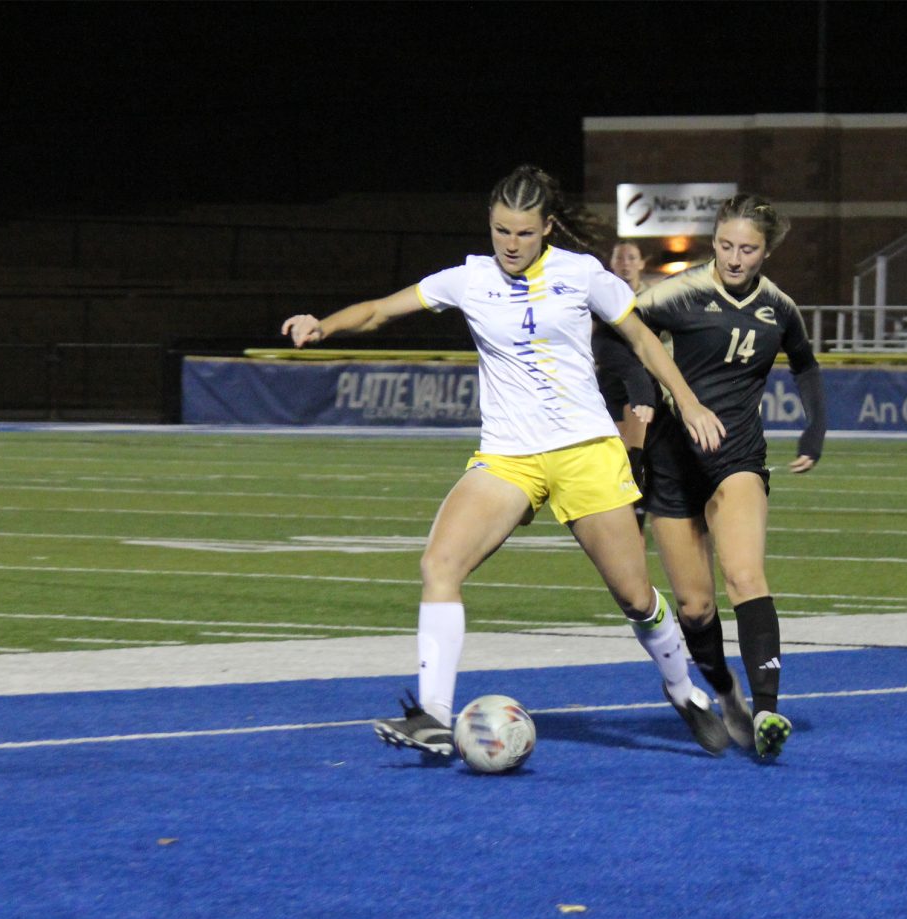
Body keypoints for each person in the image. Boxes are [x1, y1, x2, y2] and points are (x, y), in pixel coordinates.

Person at [281, 165, 733, 758]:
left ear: (546, 228)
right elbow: (381, 311)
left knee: (636, 597)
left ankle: (682, 690)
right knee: (439, 564)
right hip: (508, 458)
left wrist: (690, 401)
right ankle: (435, 717)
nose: (510, 245)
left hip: (585, 454)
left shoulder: (582, 274)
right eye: (500, 232)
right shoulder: (467, 279)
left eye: (522, 233)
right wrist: (325, 324)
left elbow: (645, 341)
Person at [630, 193, 827, 761]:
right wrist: (643, 405)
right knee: (694, 608)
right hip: (672, 460)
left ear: (767, 252)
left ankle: (767, 707)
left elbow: (806, 367)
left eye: (748, 249)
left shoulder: (780, 309)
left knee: (744, 575)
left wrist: (815, 430)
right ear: (712, 240)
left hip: (737, 456)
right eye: (724, 245)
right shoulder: (677, 292)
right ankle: (726, 694)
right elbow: (627, 339)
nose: (734, 258)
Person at [591, 241, 659, 527]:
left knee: (635, 454)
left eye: (632, 257)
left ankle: (636, 521)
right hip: (608, 382)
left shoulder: (652, 299)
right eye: (620, 258)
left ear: (642, 263)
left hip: (638, 384)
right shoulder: (600, 298)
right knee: (616, 456)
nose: (626, 263)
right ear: (612, 263)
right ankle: (624, 515)